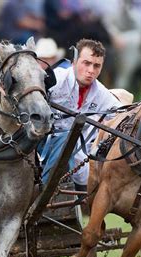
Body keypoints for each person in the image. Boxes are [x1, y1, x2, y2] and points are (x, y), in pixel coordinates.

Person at [39, 38, 122, 192]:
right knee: (67, 139)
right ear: (74, 62)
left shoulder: (101, 93)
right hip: (39, 140)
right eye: (86, 63)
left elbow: (122, 115)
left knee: (72, 146)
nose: (91, 70)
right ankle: (46, 192)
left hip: (72, 150)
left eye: (97, 66)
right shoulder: (54, 78)